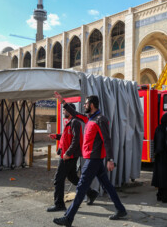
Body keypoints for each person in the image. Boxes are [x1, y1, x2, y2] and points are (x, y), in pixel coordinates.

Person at [53, 92, 127, 227]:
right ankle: (121, 210)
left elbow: (107, 140)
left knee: (81, 187)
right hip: (94, 160)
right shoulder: (89, 118)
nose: (84, 105)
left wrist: (110, 159)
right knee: (107, 186)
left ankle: (68, 218)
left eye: (86, 103)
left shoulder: (100, 119)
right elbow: (75, 114)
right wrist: (63, 102)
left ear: (92, 105)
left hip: (94, 159)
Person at [47, 103, 99, 212]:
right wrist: (56, 136)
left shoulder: (75, 122)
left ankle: (59, 204)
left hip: (68, 156)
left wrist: (68, 153)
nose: (63, 112)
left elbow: (76, 140)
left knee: (58, 179)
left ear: (69, 111)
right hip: (68, 155)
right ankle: (91, 193)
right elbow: (67, 137)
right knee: (72, 177)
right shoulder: (70, 122)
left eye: (64, 110)